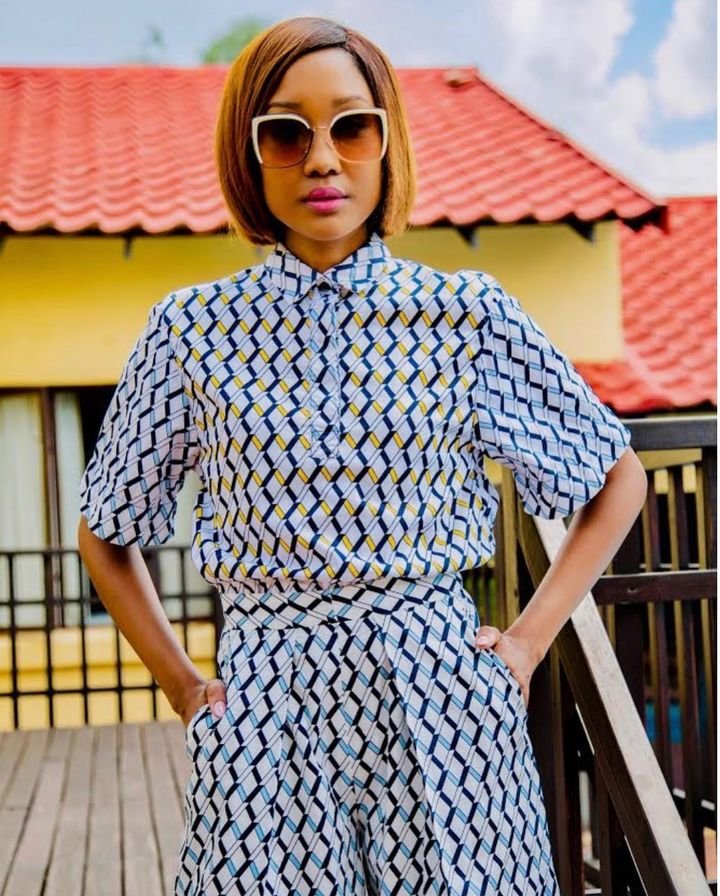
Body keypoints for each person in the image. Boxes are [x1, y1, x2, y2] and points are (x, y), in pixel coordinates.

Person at [77, 15, 648, 896]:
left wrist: (527, 646)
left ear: (387, 144)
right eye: (285, 132)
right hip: (267, 707)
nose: (321, 159)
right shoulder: (188, 333)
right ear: (249, 152)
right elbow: (106, 529)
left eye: (351, 127)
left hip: (445, 700)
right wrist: (184, 688)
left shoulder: (464, 317)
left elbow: (615, 477)